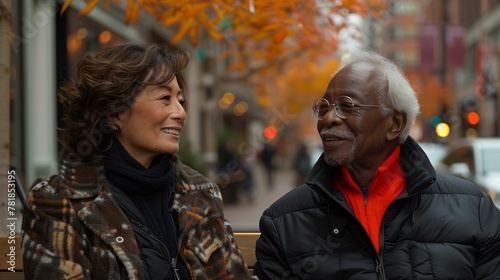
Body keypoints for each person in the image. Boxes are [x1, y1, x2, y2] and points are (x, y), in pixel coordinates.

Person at [254, 51, 500, 279]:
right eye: (324, 107)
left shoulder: (475, 210)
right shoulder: (281, 222)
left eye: (346, 106)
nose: (328, 118)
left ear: (394, 124)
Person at [21, 43, 254, 280]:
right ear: (114, 112)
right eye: (165, 98)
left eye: (180, 101)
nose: (181, 113)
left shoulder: (201, 192)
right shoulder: (58, 201)